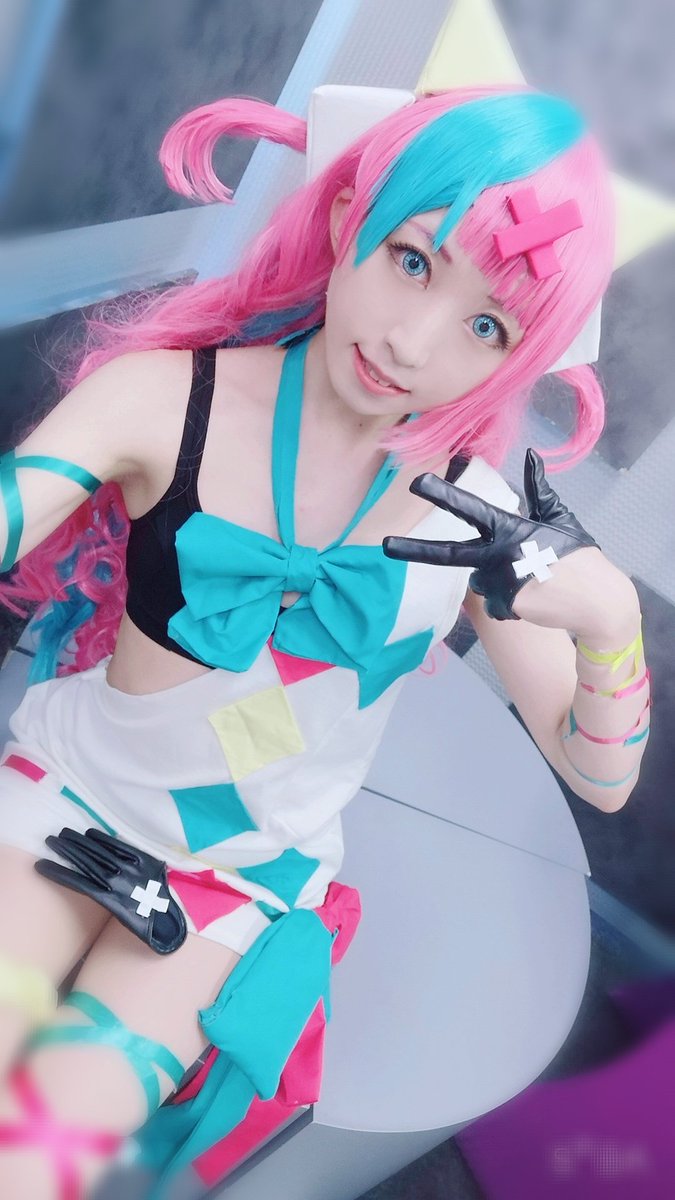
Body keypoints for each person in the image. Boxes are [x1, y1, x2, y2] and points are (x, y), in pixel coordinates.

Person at [0, 83, 650, 1197]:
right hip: (71, 795)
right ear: (351, 213)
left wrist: (611, 623)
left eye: (486, 326)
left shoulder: (478, 519)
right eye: (412, 259)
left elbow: (601, 776)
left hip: (243, 881)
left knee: (36, 1161)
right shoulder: (163, 400)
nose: (410, 341)